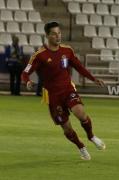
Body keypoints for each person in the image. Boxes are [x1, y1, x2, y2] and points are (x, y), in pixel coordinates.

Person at [22, 21, 106, 160]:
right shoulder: (39, 55)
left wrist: (93, 78)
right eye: (54, 34)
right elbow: (25, 73)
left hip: (68, 89)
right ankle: (81, 147)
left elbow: (79, 67)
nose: (58, 36)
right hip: (53, 96)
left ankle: (91, 136)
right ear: (47, 36)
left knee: (81, 113)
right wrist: (28, 81)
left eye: (59, 33)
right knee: (67, 128)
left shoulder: (67, 50)